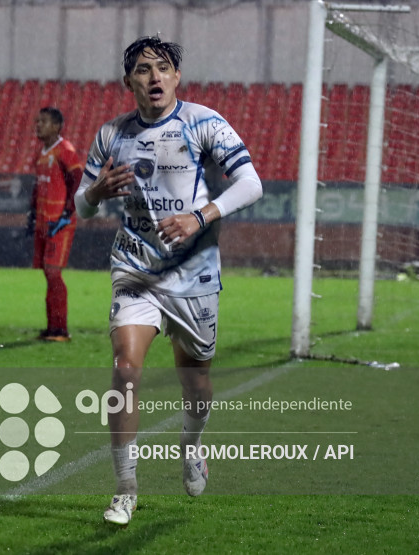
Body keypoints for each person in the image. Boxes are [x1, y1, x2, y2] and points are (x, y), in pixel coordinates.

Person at [74, 36, 263, 525]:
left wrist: (199, 217)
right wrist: (95, 192)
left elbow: (251, 183)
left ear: (177, 77)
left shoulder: (203, 121)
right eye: (143, 69)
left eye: (162, 67)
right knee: (125, 370)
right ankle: (125, 489)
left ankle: (192, 445)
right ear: (129, 81)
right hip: (135, 267)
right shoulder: (111, 134)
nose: (154, 76)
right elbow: (82, 207)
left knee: (195, 383)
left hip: (193, 273)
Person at [28, 107, 84, 342]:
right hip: (44, 221)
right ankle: (52, 328)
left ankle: (60, 330)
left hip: (59, 222)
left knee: (53, 272)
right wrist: (32, 212)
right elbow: (38, 186)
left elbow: (78, 180)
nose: (38, 125)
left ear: (56, 127)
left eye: (44, 122)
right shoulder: (41, 154)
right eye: (37, 121)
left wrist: (68, 212)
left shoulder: (65, 151)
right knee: (48, 272)